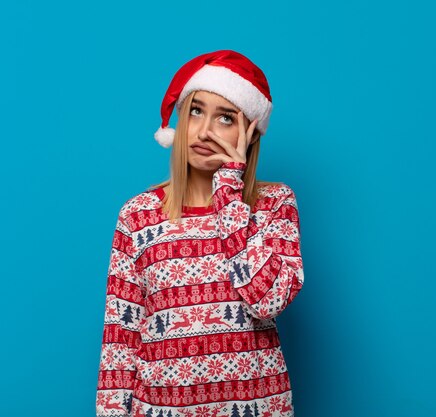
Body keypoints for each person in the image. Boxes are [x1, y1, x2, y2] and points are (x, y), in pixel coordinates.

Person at [96, 49, 305, 417]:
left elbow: (268, 300)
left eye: (225, 118)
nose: (205, 130)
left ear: (250, 133)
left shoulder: (274, 205)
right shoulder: (138, 215)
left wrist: (229, 192)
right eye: (196, 111)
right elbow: (120, 341)